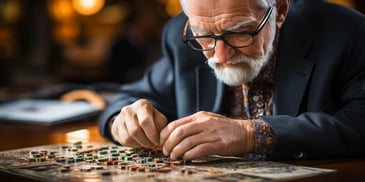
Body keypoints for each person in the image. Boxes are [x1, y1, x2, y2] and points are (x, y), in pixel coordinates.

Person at [99, 0, 365, 161]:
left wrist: (252, 134)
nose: (220, 54)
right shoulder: (180, 35)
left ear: (280, 11)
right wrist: (123, 121)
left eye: (239, 33)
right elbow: (129, 98)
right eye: (204, 35)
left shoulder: (348, 32)